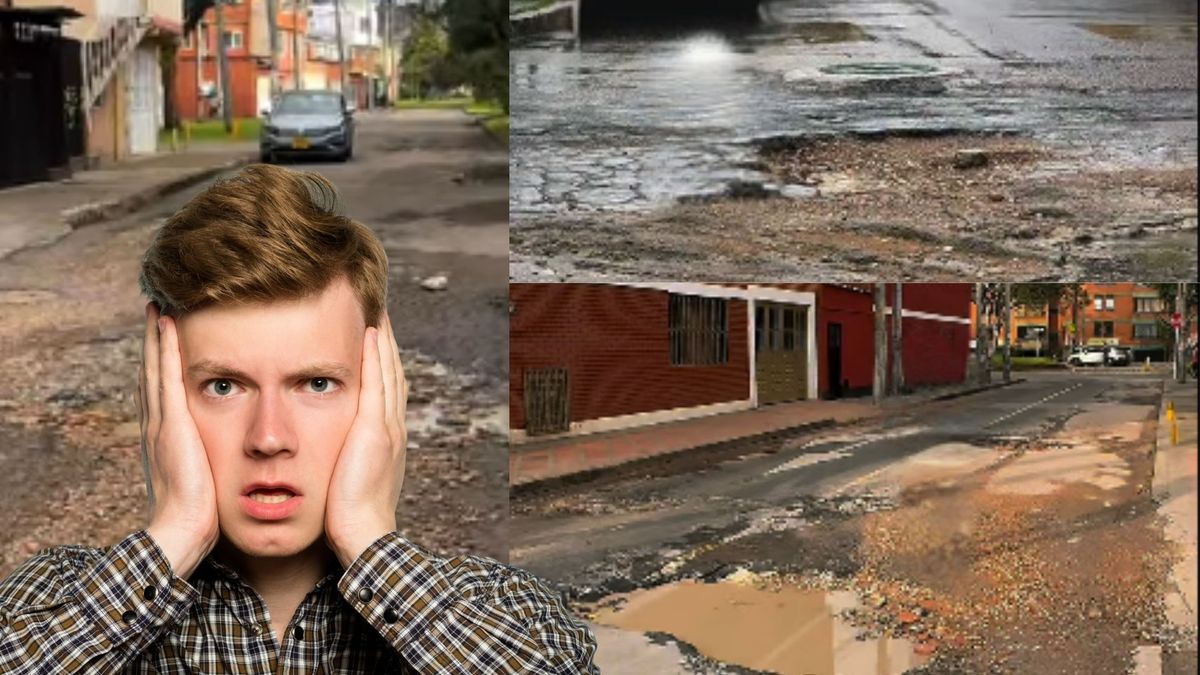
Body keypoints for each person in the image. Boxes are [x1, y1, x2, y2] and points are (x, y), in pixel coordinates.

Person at [0, 165, 597, 673]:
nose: (269, 439)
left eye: (316, 383)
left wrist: (370, 541)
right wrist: (175, 531)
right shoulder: (55, 600)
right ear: (160, 399)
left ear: (379, 395)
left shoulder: (501, 608)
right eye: (224, 386)